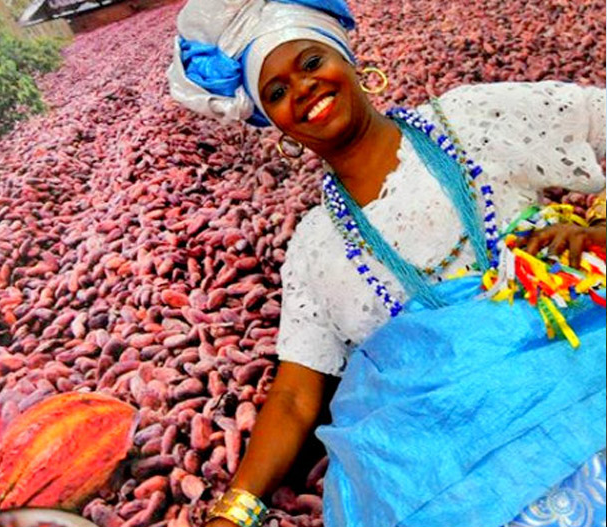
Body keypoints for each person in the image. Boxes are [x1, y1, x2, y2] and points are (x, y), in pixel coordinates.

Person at [167, 1, 607, 527]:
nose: (302, 89)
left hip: (582, 387)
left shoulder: (469, 122)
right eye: (277, 92)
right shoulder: (316, 246)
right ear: (277, 126)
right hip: (447, 475)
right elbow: (294, 397)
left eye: (311, 62)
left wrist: (601, 230)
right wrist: (233, 514)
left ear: (348, 58)